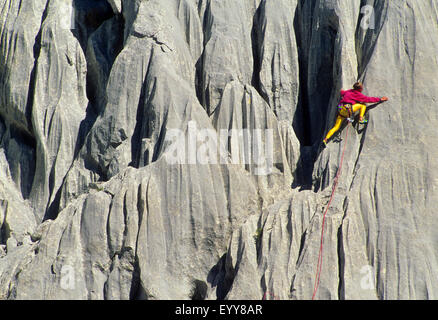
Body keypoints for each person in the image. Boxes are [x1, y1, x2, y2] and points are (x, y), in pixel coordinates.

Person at [323, 82, 388, 145]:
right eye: (361, 88)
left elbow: (342, 93)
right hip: (348, 110)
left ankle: (325, 139)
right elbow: (368, 99)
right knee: (363, 105)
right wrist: (380, 99)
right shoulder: (358, 94)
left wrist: (341, 91)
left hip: (341, 111)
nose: (362, 89)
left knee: (336, 127)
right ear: (359, 89)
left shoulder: (349, 91)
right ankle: (361, 119)